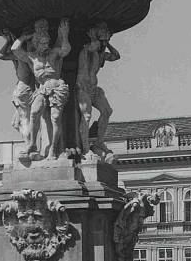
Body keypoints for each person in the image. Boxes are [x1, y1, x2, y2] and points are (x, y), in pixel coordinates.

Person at [12, 17, 71, 159]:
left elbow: (65, 50)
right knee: (34, 113)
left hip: (57, 86)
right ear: (36, 43)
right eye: (43, 43)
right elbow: (15, 49)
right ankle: (32, 144)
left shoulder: (54, 53)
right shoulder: (32, 57)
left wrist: (64, 35)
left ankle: (53, 149)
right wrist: (24, 37)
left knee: (55, 118)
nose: (46, 45)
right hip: (42, 88)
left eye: (47, 43)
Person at [76, 22, 120, 158]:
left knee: (107, 111)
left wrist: (107, 44)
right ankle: (85, 149)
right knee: (87, 116)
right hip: (82, 88)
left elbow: (116, 56)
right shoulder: (86, 49)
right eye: (104, 39)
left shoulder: (100, 55)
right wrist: (95, 38)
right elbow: (92, 46)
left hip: (94, 89)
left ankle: (99, 142)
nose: (105, 42)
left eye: (107, 39)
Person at [0, 29, 35, 152]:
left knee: (24, 120)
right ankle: (29, 144)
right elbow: (1, 55)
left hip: (24, 89)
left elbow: (9, 51)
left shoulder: (25, 57)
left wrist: (22, 37)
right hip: (20, 89)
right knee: (18, 122)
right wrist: (9, 41)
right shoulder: (19, 57)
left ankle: (30, 146)